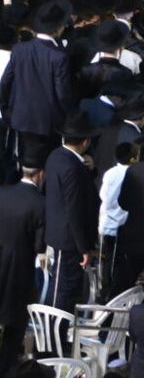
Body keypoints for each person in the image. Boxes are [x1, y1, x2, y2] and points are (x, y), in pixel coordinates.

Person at [0, 0, 75, 158]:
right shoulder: (58, 56)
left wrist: (5, 108)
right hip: (48, 122)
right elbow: (62, 93)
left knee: (24, 161)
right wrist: (71, 115)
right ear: (58, 28)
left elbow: (5, 81)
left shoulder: (20, 49)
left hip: (21, 117)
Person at [44, 112, 100, 311]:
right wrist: (83, 247)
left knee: (67, 289)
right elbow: (74, 210)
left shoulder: (57, 156)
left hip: (65, 236)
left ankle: (59, 327)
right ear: (85, 141)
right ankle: (53, 328)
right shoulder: (71, 167)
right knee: (63, 289)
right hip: (69, 240)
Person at [0, 149, 46, 373]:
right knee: (15, 323)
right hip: (19, 271)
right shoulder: (40, 203)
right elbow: (39, 246)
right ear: (40, 174)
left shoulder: (3, 193)